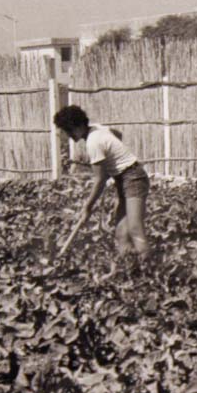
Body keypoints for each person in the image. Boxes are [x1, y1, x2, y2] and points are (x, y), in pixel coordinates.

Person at [52, 105, 152, 270]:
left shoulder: (93, 142)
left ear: (77, 127)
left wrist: (87, 206)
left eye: (67, 131)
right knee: (121, 233)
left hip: (134, 177)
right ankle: (129, 272)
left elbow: (99, 180)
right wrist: (114, 158)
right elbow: (116, 133)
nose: (68, 136)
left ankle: (151, 274)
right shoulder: (97, 129)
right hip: (122, 178)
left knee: (135, 229)